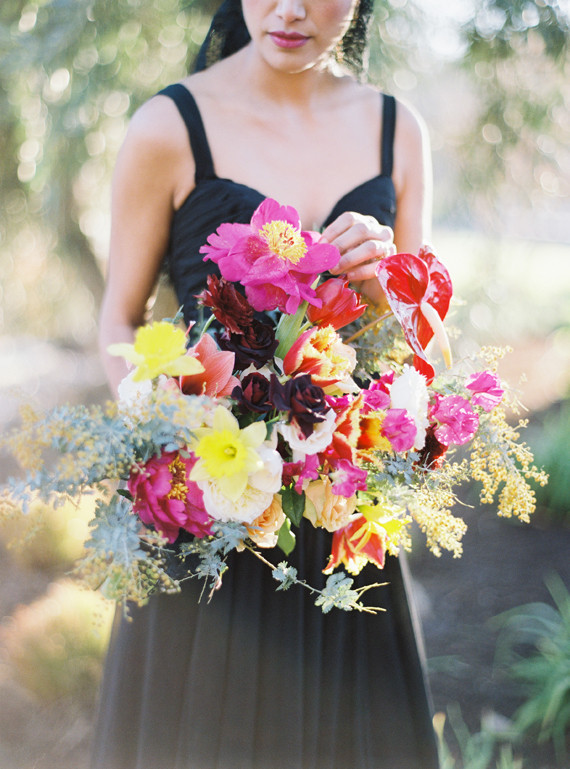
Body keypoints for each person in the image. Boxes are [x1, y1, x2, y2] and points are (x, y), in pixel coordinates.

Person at [93, 0, 439, 766]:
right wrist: (167, 424)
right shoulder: (168, 127)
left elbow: (424, 349)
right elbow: (118, 321)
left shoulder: (399, 131)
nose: (289, 9)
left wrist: (389, 290)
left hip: (344, 528)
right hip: (206, 517)